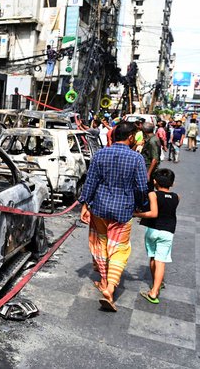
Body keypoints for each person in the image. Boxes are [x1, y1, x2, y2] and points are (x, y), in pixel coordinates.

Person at [79, 121, 148, 312]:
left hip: (99, 208)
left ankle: (103, 280)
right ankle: (110, 287)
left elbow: (90, 181)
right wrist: (142, 206)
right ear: (131, 137)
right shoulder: (136, 159)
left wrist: (84, 204)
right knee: (119, 249)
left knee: (100, 244)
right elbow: (142, 188)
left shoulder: (100, 154)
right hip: (123, 211)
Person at [133, 168, 179, 304]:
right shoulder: (177, 197)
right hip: (168, 232)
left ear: (154, 181)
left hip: (153, 231)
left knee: (153, 257)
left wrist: (136, 214)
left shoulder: (153, 194)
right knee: (161, 261)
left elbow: (153, 213)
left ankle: (154, 288)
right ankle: (156, 288)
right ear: (172, 184)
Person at [140, 122, 160, 187]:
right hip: (148, 166)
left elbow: (155, 159)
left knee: (147, 187)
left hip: (148, 167)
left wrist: (148, 173)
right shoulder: (152, 138)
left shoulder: (152, 141)